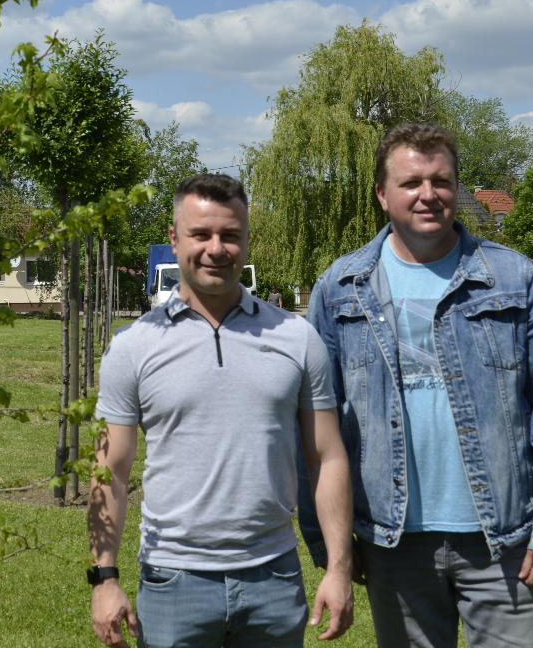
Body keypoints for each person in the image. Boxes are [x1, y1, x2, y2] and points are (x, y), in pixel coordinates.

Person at [301, 122, 533, 648]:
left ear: (457, 189)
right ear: (382, 195)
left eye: (442, 180)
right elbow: (316, 431)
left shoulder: (515, 280)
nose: (428, 194)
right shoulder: (339, 288)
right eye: (411, 182)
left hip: (502, 540)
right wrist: (332, 547)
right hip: (392, 543)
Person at [89, 173, 354, 648]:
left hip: (273, 579)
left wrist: (338, 569)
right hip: (173, 581)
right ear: (173, 239)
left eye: (230, 235)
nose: (216, 248)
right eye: (201, 234)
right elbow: (112, 467)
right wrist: (104, 578)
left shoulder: (297, 339)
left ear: (247, 238)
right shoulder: (134, 346)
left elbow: (327, 456)